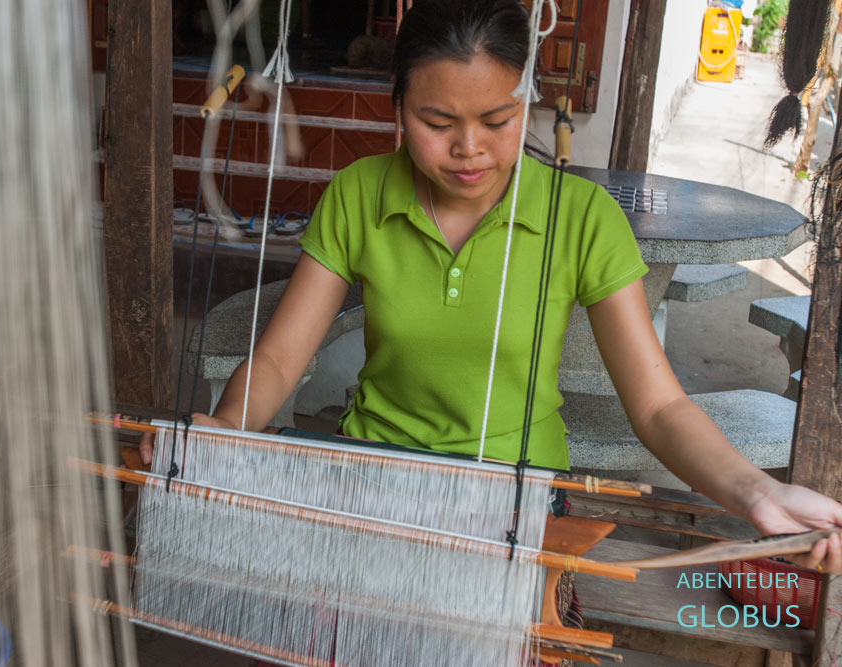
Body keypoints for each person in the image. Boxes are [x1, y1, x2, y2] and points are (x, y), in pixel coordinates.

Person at [143, 0, 842, 576]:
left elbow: (658, 406)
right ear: (397, 109)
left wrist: (755, 489)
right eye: (437, 123)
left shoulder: (582, 219)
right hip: (374, 479)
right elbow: (275, 362)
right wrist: (225, 433)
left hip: (514, 497)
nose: (468, 149)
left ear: (528, 104)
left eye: (497, 121)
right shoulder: (360, 194)